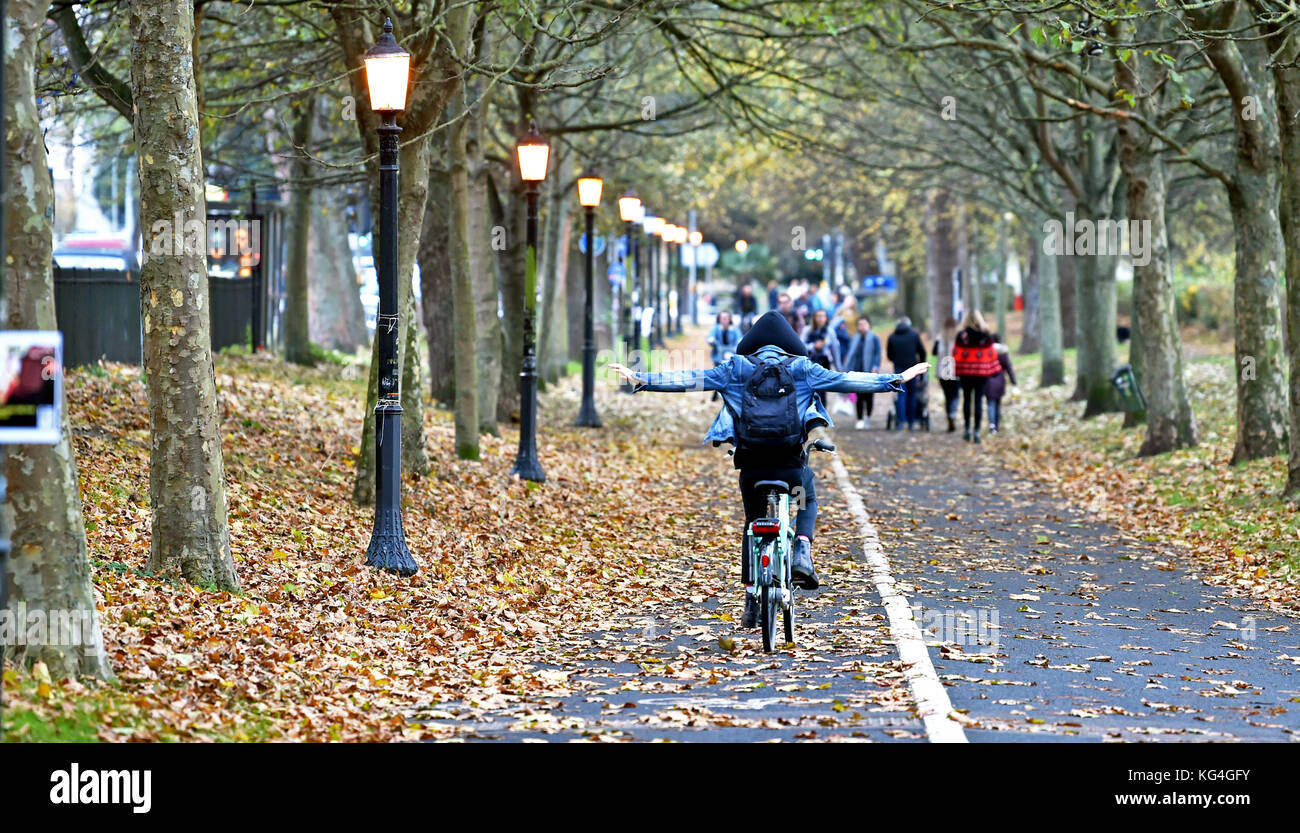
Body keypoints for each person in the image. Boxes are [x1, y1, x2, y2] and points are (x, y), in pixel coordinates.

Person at [607, 311, 929, 628]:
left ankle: (750, 602)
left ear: (752, 344)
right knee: (807, 497)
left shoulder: (735, 368)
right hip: (790, 465)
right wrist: (896, 379)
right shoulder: (802, 368)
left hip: (751, 464)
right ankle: (802, 546)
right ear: (790, 343)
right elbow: (846, 380)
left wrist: (642, 379)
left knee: (751, 523)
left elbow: (691, 380)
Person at [953, 310, 1001, 443]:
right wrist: (994, 370)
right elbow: (992, 354)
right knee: (979, 401)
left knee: (967, 400)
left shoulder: (961, 336)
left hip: (965, 373)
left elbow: (955, 354)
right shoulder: (986, 335)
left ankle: (967, 429)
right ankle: (977, 431)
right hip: (981, 373)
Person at [886, 316, 927, 431]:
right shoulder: (914, 335)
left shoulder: (892, 336)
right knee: (912, 394)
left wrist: (896, 360)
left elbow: (889, 355)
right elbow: (922, 352)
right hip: (912, 370)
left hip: (899, 370)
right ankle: (911, 422)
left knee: (901, 395)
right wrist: (921, 365)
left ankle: (901, 422)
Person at [844, 314, 882, 429]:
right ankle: (859, 419)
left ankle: (868, 417)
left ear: (869, 325)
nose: (862, 326)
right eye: (860, 324)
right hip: (857, 371)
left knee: (869, 396)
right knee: (859, 396)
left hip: (870, 371)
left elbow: (877, 353)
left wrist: (875, 366)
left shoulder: (874, 338)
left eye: (864, 324)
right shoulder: (855, 338)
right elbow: (850, 354)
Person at [984, 333, 1017, 433]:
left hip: (988, 380)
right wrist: (1013, 382)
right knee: (997, 403)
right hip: (1000, 380)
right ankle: (996, 425)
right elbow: (1009, 367)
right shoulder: (1003, 352)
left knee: (990, 403)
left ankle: (992, 424)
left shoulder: (986, 352)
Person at [933, 317, 961, 433]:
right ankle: (953, 413)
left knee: (947, 395)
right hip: (955, 371)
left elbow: (934, 352)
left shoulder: (940, 338)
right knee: (955, 394)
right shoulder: (958, 338)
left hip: (942, 371)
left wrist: (936, 341)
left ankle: (949, 414)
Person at [707, 311, 741, 402]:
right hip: (718, 356)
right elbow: (710, 337)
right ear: (719, 319)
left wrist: (739, 342)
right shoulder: (715, 328)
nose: (724, 320)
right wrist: (711, 340)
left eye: (726, 318)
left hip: (731, 355)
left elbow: (739, 337)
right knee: (717, 375)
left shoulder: (734, 329)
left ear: (730, 319)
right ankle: (715, 393)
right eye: (722, 318)